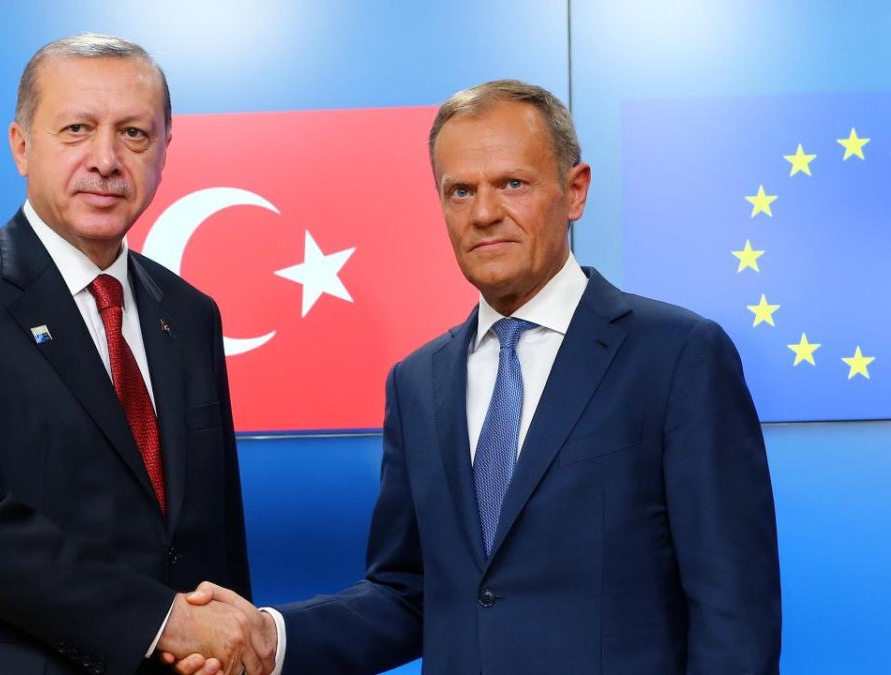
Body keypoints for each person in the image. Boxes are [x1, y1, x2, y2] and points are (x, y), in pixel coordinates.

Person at [175, 79, 781, 674]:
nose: (485, 213)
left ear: (575, 191)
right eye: (460, 191)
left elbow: (734, 614)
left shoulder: (678, 355)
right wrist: (272, 637)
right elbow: (406, 593)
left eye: (512, 184)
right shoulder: (417, 382)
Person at [0, 33, 273, 675]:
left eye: (134, 134)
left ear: (165, 151)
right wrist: (163, 621)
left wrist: (230, 647)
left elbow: (217, 533)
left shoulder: (190, 312)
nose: (106, 160)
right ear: (21, 146)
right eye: (77, 129)